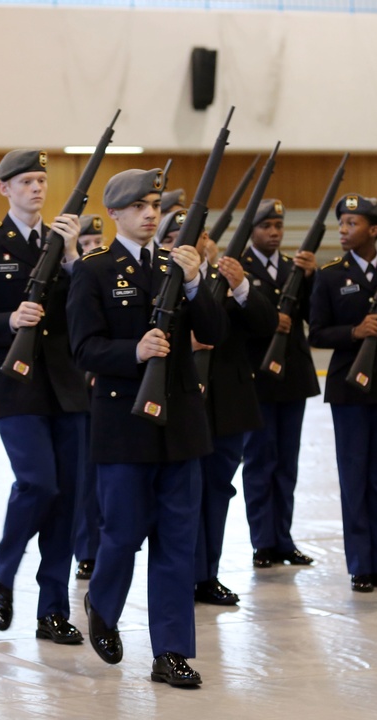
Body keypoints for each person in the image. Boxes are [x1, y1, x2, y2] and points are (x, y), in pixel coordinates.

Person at [67, 168, 226, 686]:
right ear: (114, 214)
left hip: (180, 423)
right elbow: (83, 348)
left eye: (154, 204)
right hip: (124, 423)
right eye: (137, 206)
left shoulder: (176, 265)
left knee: (179, 541)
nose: (150, 213)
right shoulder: (93, 270)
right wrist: (131, 352)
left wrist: (199, 278)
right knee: (124, 533)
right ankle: (104, 602)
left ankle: (171, 652)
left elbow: (214, 331)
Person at [0, 149, 88, 646]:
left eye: (41, 180)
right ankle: (5, 568)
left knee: (68, 499)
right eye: (26, 181)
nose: (36, 188)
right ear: (4, 188)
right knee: (39, 485)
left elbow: (84, 310)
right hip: (17, 382)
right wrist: (9, 321)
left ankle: (52, 611)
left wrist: (74, 258)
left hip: (68, 385)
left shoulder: (62, 244)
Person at [164, 211, 278, 606]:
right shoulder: (162, 276)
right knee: (185, 494)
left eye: (192, 234)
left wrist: (242, 285)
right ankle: (183, 573)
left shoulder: (224, 277)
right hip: (184, 399)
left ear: (206, 238)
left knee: (218, 491)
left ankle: (207, 575)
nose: (185, 242)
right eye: (175, 235)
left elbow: (265, 324)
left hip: (229, 402)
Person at [308, 194, 377, 593]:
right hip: (349, 387)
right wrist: (354, 332)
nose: (343, 230)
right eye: (341, 223)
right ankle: (360, 566)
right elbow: (317, 332)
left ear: (374, 230)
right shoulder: (330, 274)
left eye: (352, 223)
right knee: (354, 477)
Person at [241, 199, 320, 569]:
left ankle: (284, 539)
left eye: (278, 226)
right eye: (265, 226)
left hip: (292, 378)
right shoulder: (239, 268)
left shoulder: (293, 269)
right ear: (251, 230)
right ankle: (263, 542)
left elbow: (315, 316)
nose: (273, 232)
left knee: (287, 463)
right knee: (260, 461)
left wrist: (311, 279)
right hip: (257, 378)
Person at [73, 214, 105, 582]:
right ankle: (87, 550)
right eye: (86, 244)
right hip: (79, 389)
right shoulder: (70, 280)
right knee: (85, 477)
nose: (93, 249)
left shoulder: (109, 275)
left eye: (97, 243)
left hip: (108, 385)